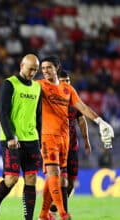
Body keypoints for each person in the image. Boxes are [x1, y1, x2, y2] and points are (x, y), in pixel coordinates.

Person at [38, 55, 114, 220]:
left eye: (48, 68)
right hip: (47, 136)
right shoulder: (39, 86)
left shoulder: (68, 90)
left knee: (58, 177)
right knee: (54, 173)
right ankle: (63, 213)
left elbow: (83, 108)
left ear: (56, 68)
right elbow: (22, 88)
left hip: (65, 139)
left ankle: (44, 214)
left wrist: (100, 121)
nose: (44, 71)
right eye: (42, 68)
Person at [0, 54, 42, 220]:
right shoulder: (10, 84)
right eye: (30, 68)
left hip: (32, 139)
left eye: (35, 70)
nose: (32, 72)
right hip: (12, 140)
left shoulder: (37, 88)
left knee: (31, 178)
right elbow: (2, 112)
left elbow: (38, 116)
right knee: (11, 179)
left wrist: (42, 139)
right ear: (22, 65)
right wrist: (10, 136)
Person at [49, 70, 92, 218]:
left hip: (72, 146)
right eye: (62, 81)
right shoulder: (51, 100)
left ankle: (53, 208)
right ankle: (62, 213)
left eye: (67, 80)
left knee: (71, 184)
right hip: (57, 147)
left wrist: (86, 140)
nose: (66, 83)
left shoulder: (73, 100)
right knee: (62, 180)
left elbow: (81, 119)